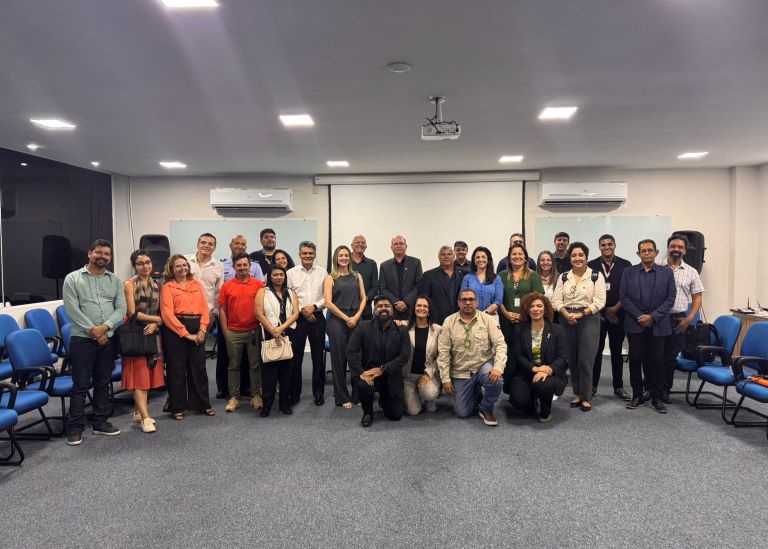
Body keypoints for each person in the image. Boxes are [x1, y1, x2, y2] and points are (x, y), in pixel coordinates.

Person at [63, 239, 127, 446]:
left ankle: (100, 422)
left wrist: (105, 328)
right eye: (98, 252)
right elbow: (72, 310)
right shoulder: (73, 279)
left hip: (108, 338)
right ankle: (75, 428)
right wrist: (94, 331)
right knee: (80, 385)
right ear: (90, 253)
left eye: (107, 254)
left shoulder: (115, 280)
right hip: (82, 339)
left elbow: (121, 309)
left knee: (102, 382)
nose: (102, 256)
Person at [620, 239, 677, 412]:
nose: (647, 253)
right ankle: (637, 395)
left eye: (650, 250)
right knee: (635, 361)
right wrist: (640, 316)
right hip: (635, 324)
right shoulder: (628, 272)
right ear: (638, 254)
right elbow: (624, 297)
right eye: (643, 251)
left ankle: (656, 396)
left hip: (658, 324)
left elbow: (670, 298)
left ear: (656, 252)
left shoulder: (667, 273)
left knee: (657, 362)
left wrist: (652, 317)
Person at [437, 288, 507, 426]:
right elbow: (443, 352)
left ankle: (486, 408)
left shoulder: (487, 319)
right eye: (464, 299)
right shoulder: (449, 322)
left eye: (471, 299)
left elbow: (500, 344)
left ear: (477, 302)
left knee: (496, 381)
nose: (468, 302)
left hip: (482, 366)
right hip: (460, 371)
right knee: (462, 412)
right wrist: (445, 378)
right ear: (458, 303)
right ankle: (475, 391)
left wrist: (498, 367)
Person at [551, 242, 606, 412]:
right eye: (574, 255)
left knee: (585, 360)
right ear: (570, 258)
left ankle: (586, 396)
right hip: (566, 319)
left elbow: (600, 301)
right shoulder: (563, 277)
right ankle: (577, 394)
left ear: (586, 257)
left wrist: (581, 314)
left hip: (588, 319)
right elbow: (556, 300)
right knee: (572, 359)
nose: (577, 258)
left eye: (581, 255)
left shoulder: (596, 276)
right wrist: (566, 314)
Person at [160, 254, 214, 420]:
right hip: (175, 330)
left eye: (184, 265)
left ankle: (201, 405)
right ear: (171, 269)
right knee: (176, 370)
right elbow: (167, 314)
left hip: (197, 327)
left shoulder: (196, 284)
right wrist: (185, 334)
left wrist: (202, 330)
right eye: (178, 266)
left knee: (198, 368)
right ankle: (177, 407)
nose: (182, 268)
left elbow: (205, 310)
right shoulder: (168, 287)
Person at [347, 295, 410, 427]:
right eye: (379, 306)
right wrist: (361, 373)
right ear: (374, 309)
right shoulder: (363, 327)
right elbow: (351, 351)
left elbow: (404, 356)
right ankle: (368, 412)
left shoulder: (401, 330)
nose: (383, 309)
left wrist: (382, 369)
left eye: (387, 306)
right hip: (370, 375)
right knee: (363, 384)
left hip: (390, 375)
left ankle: (384, 399)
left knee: (395, 415)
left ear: (392, 309)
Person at [121, 249, 165, 434]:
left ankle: (139, 412)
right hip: (135, 334)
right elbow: (132, 313)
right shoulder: (129, 284)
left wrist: (156, 324)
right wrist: (156, 320)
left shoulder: (158, 284)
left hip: (153, 334)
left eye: (147, 262)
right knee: (140, 378)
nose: (145, 266)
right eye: (140, 263)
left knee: (148, 374)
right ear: (135, 266)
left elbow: (162, 311)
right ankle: (146, 419)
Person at [587, 234, 633, 400]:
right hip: (597, 316)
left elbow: (628, 291)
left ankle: (618, 387)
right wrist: (604, 311)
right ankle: (592, 386)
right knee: (596, 352)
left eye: (609, 244)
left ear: (615, 245)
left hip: (618, 315)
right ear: (599, 247)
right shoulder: (591, 265)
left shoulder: (626, 265)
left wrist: (614, 310)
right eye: (603, 245)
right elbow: (588, 292)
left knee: (616, 352)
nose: (606, 247)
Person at [509, 293, 568, 422]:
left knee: (543, 386)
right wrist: (535, 369)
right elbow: (518, 356)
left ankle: (545, 410)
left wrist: (547, 369)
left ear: (545, 309)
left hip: (550, 374)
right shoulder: (520, 329)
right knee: (518, 402)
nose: (535, 309)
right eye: (532, 306)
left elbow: (563, 358)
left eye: (539, 306)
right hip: (527, 372)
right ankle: (532, 401)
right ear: (527, 309)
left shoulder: (557, 329)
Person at [661, 233, 705, 403]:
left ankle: (665, 389)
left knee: (670, 357)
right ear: (668, 248)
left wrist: (689, 319)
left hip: (679, 320)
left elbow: (698, 297)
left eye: (680, 247)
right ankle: (650, 388)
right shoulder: (657, 267)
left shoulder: (691, 272)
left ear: (685, 251)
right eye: (673, 246)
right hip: (658, 319)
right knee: (653, 355)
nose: (676, 249)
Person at [219, 253, 265, 414]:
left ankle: (256, 395)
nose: (243, 268)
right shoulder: (227, 286)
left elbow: (264, 308)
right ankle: (234, 397)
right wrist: (225, 331)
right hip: (233, 332)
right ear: (234, 267)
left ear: (250, 266)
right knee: (234, 366)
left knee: (255, 365)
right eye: (239, 265)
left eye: (245, 265)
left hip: (254, 331)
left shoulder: (259, 285)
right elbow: (222, 310)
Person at [324, 245, 367, 408]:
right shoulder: (330, 278)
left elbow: (364, 298)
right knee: (339, 359)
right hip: (337, 322)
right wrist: (346, 317)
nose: (343, 258)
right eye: (340, 255)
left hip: (356, 319)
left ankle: (357, 395)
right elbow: (328, 302)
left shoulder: (357, 276)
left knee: (356, 359)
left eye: (346, 255)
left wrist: (356, 317)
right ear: (336, 258)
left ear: (349, 257)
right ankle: (342, 397)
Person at [185, 233, 227, 399]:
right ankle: (177, 397)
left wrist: (214, 314)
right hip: (183, 314)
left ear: (214, 248)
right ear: (197, 244)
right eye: (203, 242)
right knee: (180, 358)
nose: (206, 246)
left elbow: (218, 292)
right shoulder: (185, 261)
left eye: (210, 244)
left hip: (206, 314)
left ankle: (199, 398)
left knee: (198, 357)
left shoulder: (218, 266)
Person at [255, 265, 300, 416]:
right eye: (275, 274)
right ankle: (267, 405)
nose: (279, 277)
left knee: (287, 371)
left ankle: (284, 403)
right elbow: (259, 314)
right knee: (269, 372)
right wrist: (274, 331)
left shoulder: (291, 293)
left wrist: (281, 329)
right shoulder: (263, 292)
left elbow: (295, 314)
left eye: (281, 274)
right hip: (269, 334)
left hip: (288, 334)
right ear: (270, 276)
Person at [286, 240, 327, 406]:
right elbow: (288, 296)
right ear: (299, 255)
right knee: (297, 358)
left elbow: (327, 297)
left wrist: (315, 306)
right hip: (298, 319)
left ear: (315, 254)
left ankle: (318, 393)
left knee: (318, 358)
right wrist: (303, 310)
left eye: (310, 253)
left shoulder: (323, 272)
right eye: (305, 253)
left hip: (317, 318)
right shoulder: (291, 273)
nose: (308, 256)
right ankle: (295, 393)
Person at [499, 243, 544, 392]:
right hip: (506, 321)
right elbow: (497, 298)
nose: (517, 257)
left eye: (520, 254)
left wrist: (523, 315)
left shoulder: (534, 275)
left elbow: (538, 299)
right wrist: (506, 313)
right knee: (508, 352)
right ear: (509, 258)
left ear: (525, 258)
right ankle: (508, 386)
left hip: (527, 321)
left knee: (525, 352)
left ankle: (525, 385)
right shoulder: (502, 276)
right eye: (514, 254)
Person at [403, 296, 442, 415]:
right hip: (408, 376)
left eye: (425, 306)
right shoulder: (404, 327)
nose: (422, 308)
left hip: (426, 373)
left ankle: (428, 399)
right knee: (413, 411)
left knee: (429, 395)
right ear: (414, 309)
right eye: (418, 306)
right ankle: (413, 395)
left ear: (429, 310)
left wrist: (429, 373)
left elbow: (441, 356)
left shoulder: (438, 329)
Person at [379, 235, 423, 321]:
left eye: (401, 243)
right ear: (391, 247)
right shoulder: (384, 266)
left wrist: (406, 302)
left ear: (406, 246)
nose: (398, 246)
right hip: (391, 310)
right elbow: (382, 288)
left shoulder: (416, 263)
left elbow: (419, 285)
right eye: (395, 244)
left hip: (410, 309)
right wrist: (396, 303)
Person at [419, 245, 465, 324]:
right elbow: (424, 299)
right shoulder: (428, 275)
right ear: (439, 257)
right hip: (437, 321)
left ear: (454, 257)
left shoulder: (464, 274)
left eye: (449, 254)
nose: (446, 256)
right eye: (443, 254)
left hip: (460, 319)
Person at [460, 246, 503, 318]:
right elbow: (463, 298)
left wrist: (484, 314)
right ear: (474, 260)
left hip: (491, 317)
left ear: (488, 259)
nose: (480, 259)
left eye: (483, 257)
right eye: (478, 257)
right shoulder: (467, 278)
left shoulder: (497, 279)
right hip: (471, 317)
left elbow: (498, 301)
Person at [350, 235, 378, 320]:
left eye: (363, 243)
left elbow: (375, 286)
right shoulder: (344, 262)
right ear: (351, 246)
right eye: (357, 242)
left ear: (366, 246)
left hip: (366, 309)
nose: (360, 244)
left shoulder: (372, 264)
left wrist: (366, 298)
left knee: (366, 332)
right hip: (347, 309)